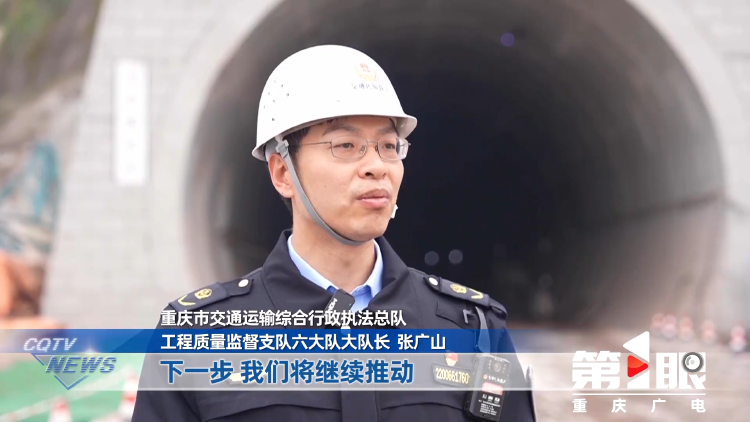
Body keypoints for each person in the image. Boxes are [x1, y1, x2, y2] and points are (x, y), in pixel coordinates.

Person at [132, 45, 537, 421]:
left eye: (389, 146)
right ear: (282, 172)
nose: (377, 166)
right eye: (345, 145)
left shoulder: (475, 331)